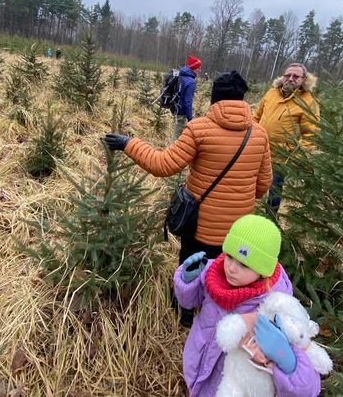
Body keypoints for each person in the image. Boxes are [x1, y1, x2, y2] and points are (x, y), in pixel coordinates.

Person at [104, 71, 272, 325]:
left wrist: (129, 143)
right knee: (228, 272)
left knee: (191, 267)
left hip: (200, 225)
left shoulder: (199, 129)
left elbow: (162, 165)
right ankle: (216, 316)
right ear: (243, 99)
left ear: (214, 98)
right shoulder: (259, 134)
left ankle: (183, 314)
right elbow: (263, 186)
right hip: (238, 231)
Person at [174, 214, 321, 397]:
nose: (231, 268)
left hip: (231, 387)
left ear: (263, 271)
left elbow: (309, 389)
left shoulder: (276, 306)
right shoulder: (214, 273)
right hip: (198, 369)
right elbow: (188, 302)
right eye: (229, 256)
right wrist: (187, 280)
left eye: (244, 264)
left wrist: (288, 362)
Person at [253, 63, 319, 210]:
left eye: (296, 76)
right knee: (249, 186)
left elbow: (310, 134)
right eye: (287, 75)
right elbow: (256, 117)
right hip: (256, 150)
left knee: (274, 192)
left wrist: (298, 156)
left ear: (304, 79)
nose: (290, 79)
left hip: (281, 156)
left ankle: (270, 220)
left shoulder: (308, 102)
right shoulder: (271, 93)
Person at [171, 54, 202, 141]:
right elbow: (188, 102)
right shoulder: (191, 82)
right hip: (182, 112)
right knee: (177, 136)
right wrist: (190, 118)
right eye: (199, 68)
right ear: (193, 68)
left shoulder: (181, 75)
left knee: (177, 133)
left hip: (175, 108)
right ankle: (170, 153)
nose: (200, 70)